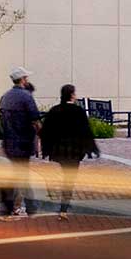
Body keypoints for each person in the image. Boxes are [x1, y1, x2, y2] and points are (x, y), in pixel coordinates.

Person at [41, 83, 100, 217]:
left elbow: (46, 131)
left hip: (60, 151)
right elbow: (86, 131)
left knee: (66, 176)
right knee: (69, 179)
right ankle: (64, 208)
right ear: (72, 95)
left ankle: (64, 205)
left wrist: (47, 148)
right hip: (74, 151)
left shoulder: (55, 110)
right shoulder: (78, 111)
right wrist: (91, 148)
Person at [0, 67, 41, 219]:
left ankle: (27, 207)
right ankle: (17, 208)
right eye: (26, 78)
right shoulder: (26, 97)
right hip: (24, 141)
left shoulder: (5, 97)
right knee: (20, 175)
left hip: (9, 142)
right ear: (22, 80)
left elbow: (0, 118)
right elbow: (35, 119)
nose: (27, 81)